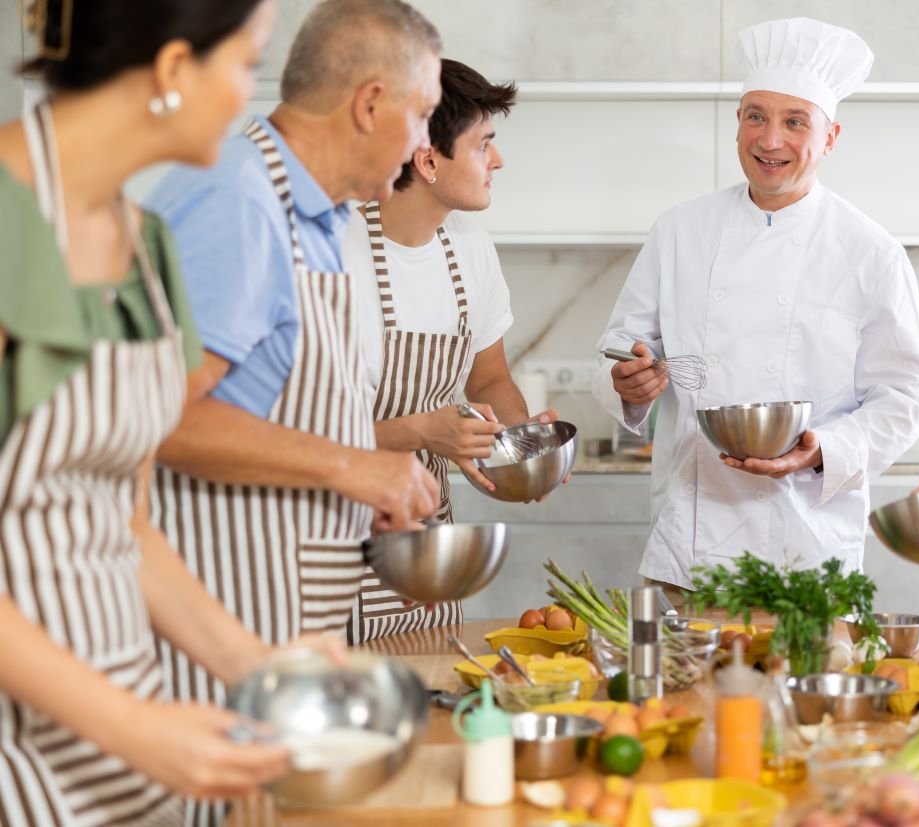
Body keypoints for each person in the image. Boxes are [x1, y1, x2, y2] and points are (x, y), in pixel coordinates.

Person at [0, 1, 348, 822]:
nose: (248, 96)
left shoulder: (145, 243)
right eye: (243, 63)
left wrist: (257, 664)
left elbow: (126, 519)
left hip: (123, 747)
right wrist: (131, 727)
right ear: (171, 69)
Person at [142, 1, 441, 819]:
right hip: (215, 617)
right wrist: (356, 464)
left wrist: (358, 487)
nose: (425, 145)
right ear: (370, 103)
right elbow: (159, 420)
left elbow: (274, 405)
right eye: (422, 115)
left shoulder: (317, 215)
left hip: (281, 612)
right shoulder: (238, 199)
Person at [592, 17, 919, 590]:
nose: (770, 140)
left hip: (808, 546)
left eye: (794, 122)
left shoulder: (870, 252)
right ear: (737, 124)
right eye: (756, 116)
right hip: (688, 548)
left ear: (830, 137)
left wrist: (822, 448)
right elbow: (617, 351)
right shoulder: (679, 231)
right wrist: (627, 381)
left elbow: (906, 397)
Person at [341, 59, 551, 639]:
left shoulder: (469, 246)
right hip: (326, 528)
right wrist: (418, 430)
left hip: (425, 543)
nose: (499, 161)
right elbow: (289, 429)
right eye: (484, 144)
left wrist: (522, 444)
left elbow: (488, 380)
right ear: (428, 159)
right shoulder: (334, 248)